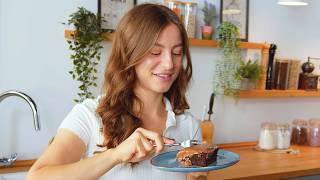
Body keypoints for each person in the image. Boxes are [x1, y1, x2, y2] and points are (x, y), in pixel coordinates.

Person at [27, 3, 207, 180]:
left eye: (176, 53)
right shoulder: (90, 115)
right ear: (129, 54)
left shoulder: (188, 125)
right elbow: (36, 177)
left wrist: (197, 175)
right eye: (155, 52)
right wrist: (115, 155)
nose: (169, 64)